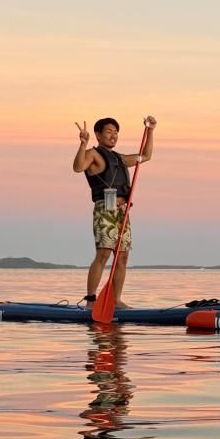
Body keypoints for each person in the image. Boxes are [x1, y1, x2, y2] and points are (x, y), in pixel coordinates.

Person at [73, 116, 156, 309]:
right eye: (109, 132)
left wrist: (150, 130)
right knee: (103, 254)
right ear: (98, 134)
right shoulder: (92, 154)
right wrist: (83, 143)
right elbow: (78, 167)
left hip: (123, 211)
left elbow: (146, 155)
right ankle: (91, 300)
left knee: (122, 256)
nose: (113, 136)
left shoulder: (120, 158)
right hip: (105, 209)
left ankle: (116, 300)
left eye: (116, 132)